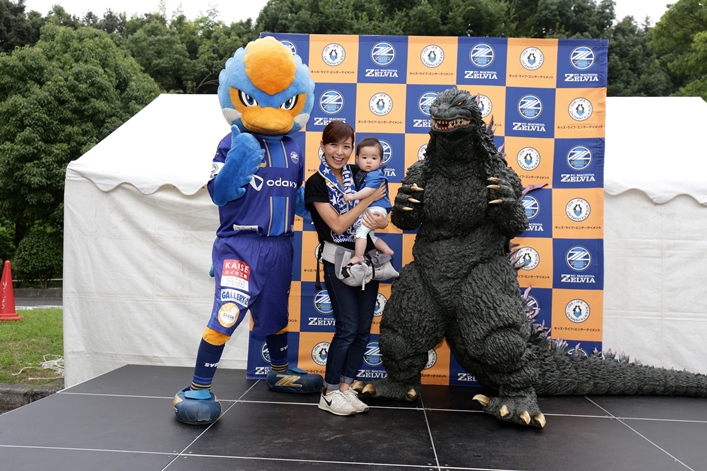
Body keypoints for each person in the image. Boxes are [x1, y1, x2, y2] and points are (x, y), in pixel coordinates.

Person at [173, 36, 322, 425]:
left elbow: (295, 197)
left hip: (280, 246)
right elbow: (219, 193)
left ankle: (280, 371)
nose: (270, 113)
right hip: (240, 244)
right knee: (228, 312)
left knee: (274, 312)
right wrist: (239, 158)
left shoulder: (294, 146)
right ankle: (197, 388)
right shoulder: (231, 142)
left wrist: (316, 200)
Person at [305, 121, 389, 416]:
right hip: (338, 262)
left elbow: (382, 216)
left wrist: (379, 217)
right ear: (322, 146)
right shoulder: (316, 183)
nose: (339, 152)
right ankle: (328, 392)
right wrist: (367, 200)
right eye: (333, 145)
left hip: (366, 260)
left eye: (346, 146)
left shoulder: (359, 173)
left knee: (363, 330)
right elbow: (338, 225)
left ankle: (345, 387)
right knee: (348, 328)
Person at [342, 137, 395, 267]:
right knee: (369, 235)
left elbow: (369, 191)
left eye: (374, 158)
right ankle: (387, 250)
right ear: (357, 158)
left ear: (381, 161)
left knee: (360, 232)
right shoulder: (362, 173)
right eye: (364, 157)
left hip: (376, 208)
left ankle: (359, 256)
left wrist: (352, 196)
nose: (369, 161)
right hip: (373, 207)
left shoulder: (374, 174)